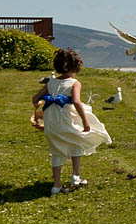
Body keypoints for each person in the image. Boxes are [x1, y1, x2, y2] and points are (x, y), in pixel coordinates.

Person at [32, 48, 112, 196]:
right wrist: (85, 121)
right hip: (65, 117)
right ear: (77, 66)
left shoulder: (51, 82)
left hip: (51, 119)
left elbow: (35, 99)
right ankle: (76, 175)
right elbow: (76, 102)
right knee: (77, 141)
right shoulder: (75, 83)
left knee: (55, 150)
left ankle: (56, 186)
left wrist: (43, 102)